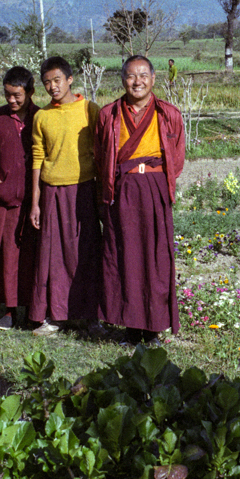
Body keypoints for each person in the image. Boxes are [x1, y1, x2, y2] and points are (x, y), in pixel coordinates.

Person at [95, 55, 185, 345]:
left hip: (154, 188)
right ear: (123, 80)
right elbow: (100, 154)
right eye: (132, 76)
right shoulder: (108, 114)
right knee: (126, 257)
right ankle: (132, 329)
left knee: (156, 258)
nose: (137, 81)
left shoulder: (168, 113)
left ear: (153, 79)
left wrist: (157, 181)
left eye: (143, 75)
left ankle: (154, 328)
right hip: (121, 189)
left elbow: (178, 156)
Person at [29, 56, 103, 336]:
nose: (52, 87)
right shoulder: (42, 116)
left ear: (70, 79)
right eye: (46, 82)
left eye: (56, 80)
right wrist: (35, 201)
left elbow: (102, 150)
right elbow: (38, 158)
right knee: (54, 255)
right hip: (52, 192)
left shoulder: (89, 109)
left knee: (87, 251)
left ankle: (91, 315)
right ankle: (56, 315)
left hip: (83, 188)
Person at [0, 66, 40, 330]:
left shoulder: (41, 117)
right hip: (6, 199)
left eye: (17, 95)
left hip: (36, 200)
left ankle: (34, 310)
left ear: (30, 92)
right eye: (7, 95)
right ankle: (7, 310)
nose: (11, 101)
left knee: (32, 256)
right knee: (4, 255)